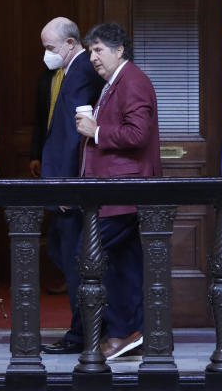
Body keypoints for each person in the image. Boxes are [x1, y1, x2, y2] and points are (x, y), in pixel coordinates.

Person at [76, 22, 159, 359]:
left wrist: (96, 131)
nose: (93, 57)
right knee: (125, 263)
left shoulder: (133, 80)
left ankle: (123, 331)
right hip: (115, 193)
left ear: (120, 49)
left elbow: (137, 135)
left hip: (123, 192)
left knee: (88, 256)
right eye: (90, 51)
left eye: (98, 50)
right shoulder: (115, 82)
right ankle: (133, 332)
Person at [33, 17, 105, 356]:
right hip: (61, 184)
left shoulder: (82, 72)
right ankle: (84, 330)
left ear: (72, 44)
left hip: (70, 187)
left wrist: (64, 185)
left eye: (51, 48)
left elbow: (75, 134)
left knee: (77, 262)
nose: (47, 55)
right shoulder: (68, 71)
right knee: (61, 253)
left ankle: (82, 334)